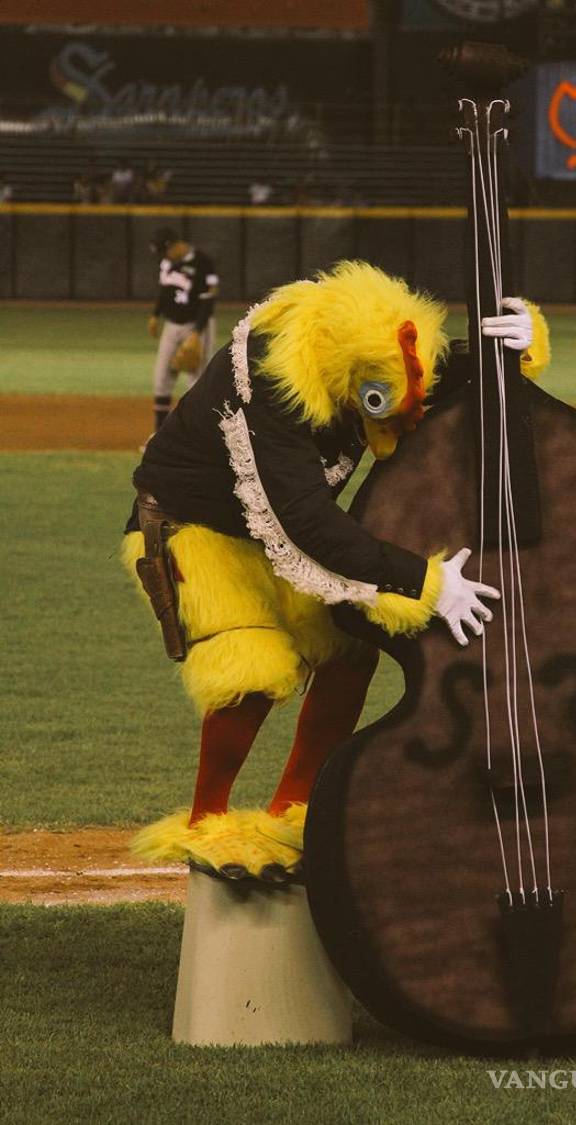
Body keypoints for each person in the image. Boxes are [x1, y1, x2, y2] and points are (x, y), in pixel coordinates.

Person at [122, 260, 550, 880]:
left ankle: (295, 808)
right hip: (193, 528)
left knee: (352, 641)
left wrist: (518, 343)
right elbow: (306, 522)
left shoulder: (368, 350)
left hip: (268, 533)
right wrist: (423, 579)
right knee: (251, 662)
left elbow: (438, 373)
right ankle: (205, 822)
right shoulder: (276, 379)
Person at [146, 227, 219, 437]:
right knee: (161, 378)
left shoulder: (203, 263)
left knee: (196, 383)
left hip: (196, 325)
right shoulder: (167, 262)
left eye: (164, 251)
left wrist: (197, 332)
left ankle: (194, 437)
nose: (163, 257)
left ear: (174, 245)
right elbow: (165, 291)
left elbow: (208, 301)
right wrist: (155, 314)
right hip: (171, 325)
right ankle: (159, 435)